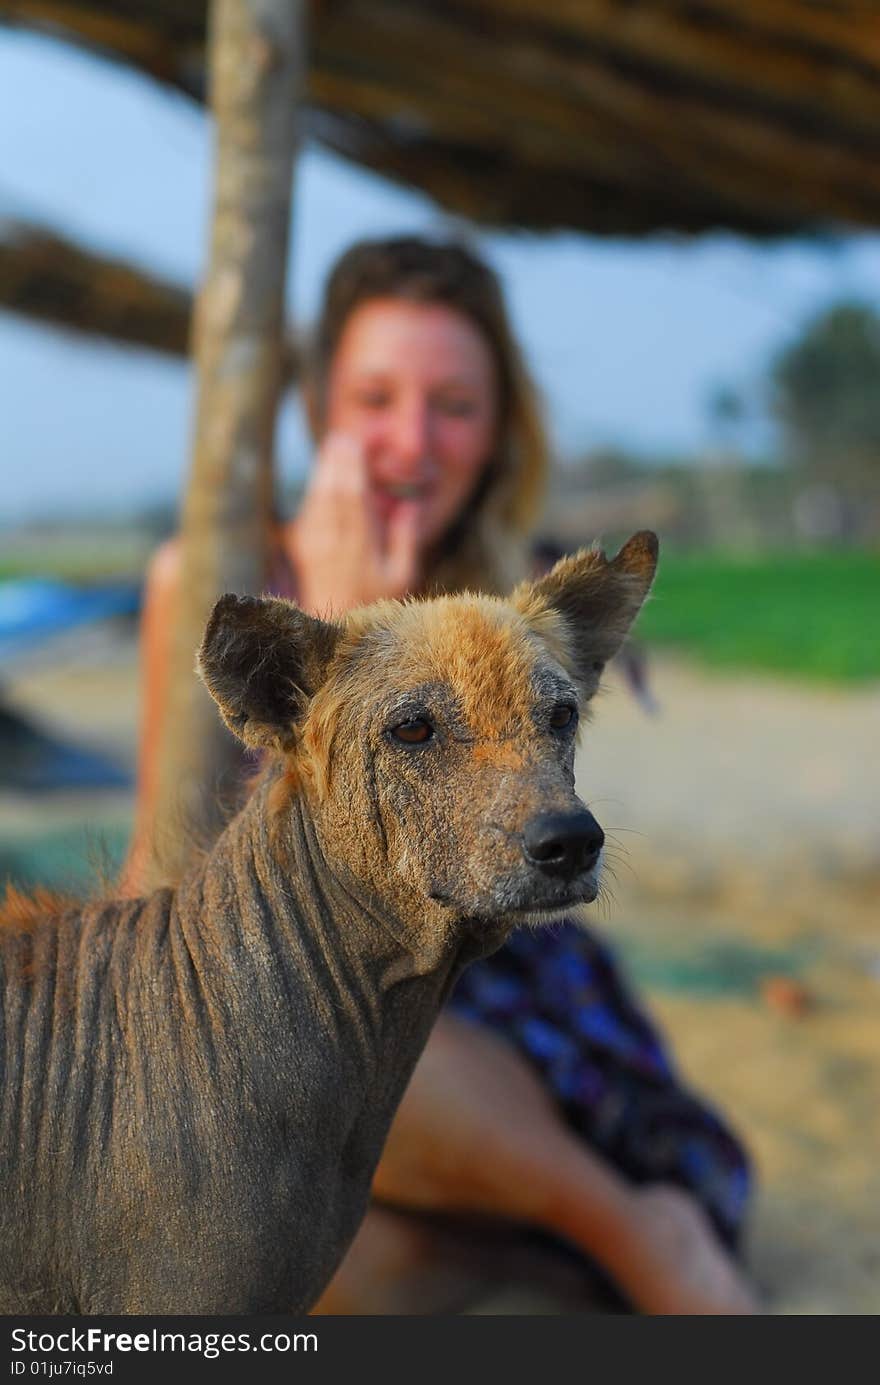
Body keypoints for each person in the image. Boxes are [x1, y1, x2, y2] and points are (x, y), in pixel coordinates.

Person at [125, 236, 757, 1315]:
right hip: (277, 994)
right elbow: (157, 886)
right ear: (320, 407)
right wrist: (338, 663)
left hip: (472, 992)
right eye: (377, 396)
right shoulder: (212, 589)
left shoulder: (508, 598)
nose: (412, 440)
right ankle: (541, 1270)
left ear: (501, 424)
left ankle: (632, 1227)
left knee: (339, 1027)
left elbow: (498, 854)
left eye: (453, 404)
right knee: (296, 1238)